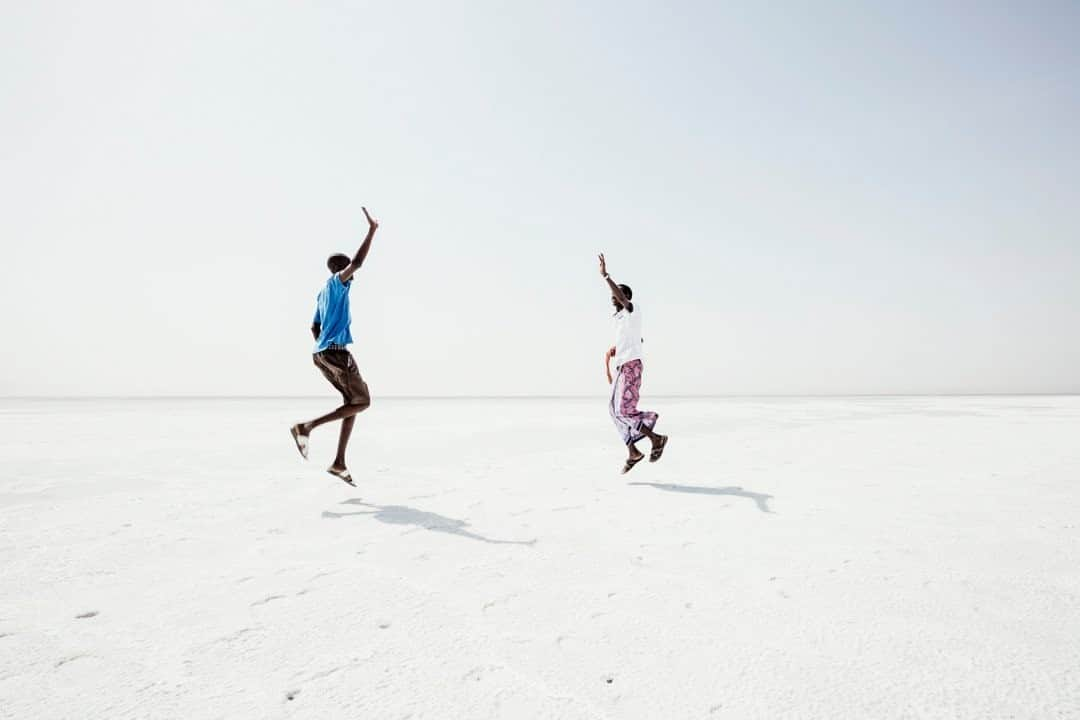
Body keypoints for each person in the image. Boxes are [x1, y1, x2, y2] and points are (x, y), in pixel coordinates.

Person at [290, 207, 380, 485]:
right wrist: (372, 231)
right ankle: (306, 427)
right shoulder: (338, 283)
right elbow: (358, 263)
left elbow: (313, 327)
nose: (352, 276)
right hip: (336, 353)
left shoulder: (322, 293)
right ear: (343, 271)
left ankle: (339, 462)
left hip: (321, 353)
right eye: (348, 272)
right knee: (363, 401)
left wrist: (323, 349)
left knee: (351, 403)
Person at [599, 253, 668, 473]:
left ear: (625, 296)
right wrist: (616, 350)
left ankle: (656, 439)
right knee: (613, 410)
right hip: (623, 367)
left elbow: (622, 300)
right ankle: (633, 451)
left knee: (624, 410)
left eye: (617, 294)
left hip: (631, 366)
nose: (613, 297)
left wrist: (606, 276)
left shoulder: (632, 309)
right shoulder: (620, 320)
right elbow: (634, 338)